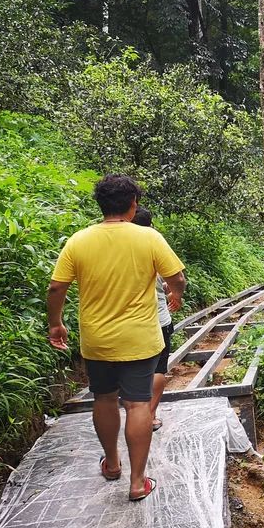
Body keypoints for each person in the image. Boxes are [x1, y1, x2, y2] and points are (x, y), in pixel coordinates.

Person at [46, 174, 186, 501]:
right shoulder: (148, 238)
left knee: (105, 399)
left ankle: (111, 463)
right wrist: (175, 293)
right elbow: (176, 277)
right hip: (140, 339)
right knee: (137, 404)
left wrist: (56, 323)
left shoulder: (78, 240)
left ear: (101, 204)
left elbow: (56, 287)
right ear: (133, 205)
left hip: (97, 340)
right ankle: (138, 483)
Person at [132, 205, 173, 432]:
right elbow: (174, 278)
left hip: (130, 322)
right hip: (159, 318)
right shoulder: (154, 244)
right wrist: (175, 293)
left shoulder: (123, 249)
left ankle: (136, 416)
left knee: (136, 371)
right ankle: (151, 415)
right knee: (158, 369)